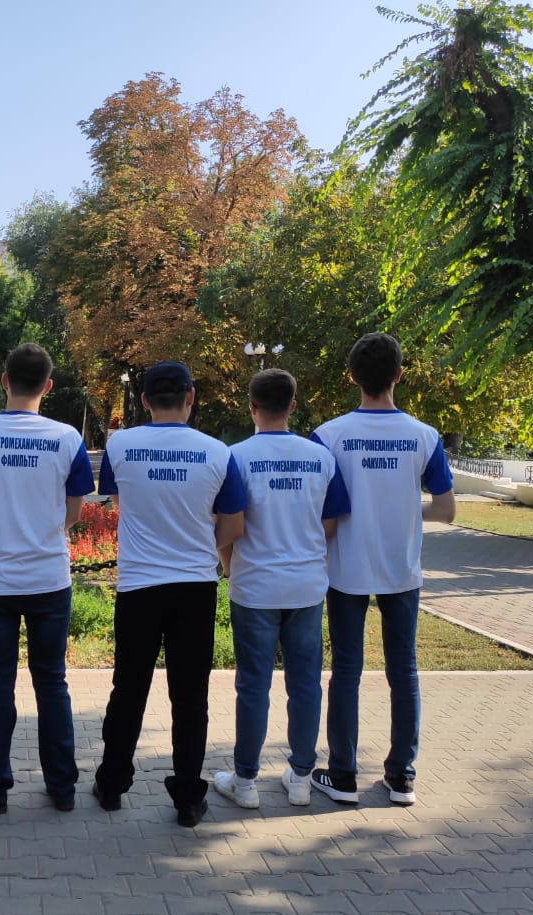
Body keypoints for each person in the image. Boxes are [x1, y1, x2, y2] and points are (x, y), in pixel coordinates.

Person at [93, 360, 247, 827]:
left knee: (128, 688)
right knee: (190, 695)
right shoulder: (218, 452)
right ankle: (188, 798)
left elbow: (120, 503)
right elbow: (233, 525)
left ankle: (112, 784)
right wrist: (199, 544)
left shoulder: (120, 445)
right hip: (194, 586)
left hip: (138, 585)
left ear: (143, 400)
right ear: (190, 397)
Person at [309, 332, 455, 807]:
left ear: (353, 377)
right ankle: (401, 777)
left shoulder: (329, 436)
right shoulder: (424, 436)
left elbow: (317, 507)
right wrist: (407, 510)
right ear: (399, 374)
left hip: (346, 569)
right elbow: (446, 509)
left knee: (346, 670)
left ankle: (343, 775)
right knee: (403, 670)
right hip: (401, 569)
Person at [0, 343, 95, 814]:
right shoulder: (67, 438)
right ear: (48, 386)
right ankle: (62, 786)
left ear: (4, 381)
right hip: (49, 578)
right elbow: (73, 512)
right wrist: (41, 532)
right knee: (52, 682)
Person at [212, 368, 350, 810]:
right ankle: (302, 778)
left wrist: (229, 567)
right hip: (306, 587)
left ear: (251, 406)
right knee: (306, 684)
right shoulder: (321, 458)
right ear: (293, 405)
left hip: (254, 587)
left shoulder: (235, 457)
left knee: (253, 686)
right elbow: (331, 523)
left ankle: (245, 781)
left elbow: (228, 525)